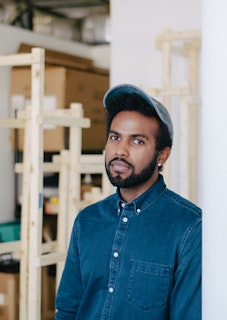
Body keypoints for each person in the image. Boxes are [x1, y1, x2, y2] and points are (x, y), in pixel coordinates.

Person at [55, 83, 202, 320]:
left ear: (162, 155)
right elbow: (68, 309)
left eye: (137, 141)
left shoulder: (189, 227)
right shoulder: (87, 220)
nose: (120, 150)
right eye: (115, 137)